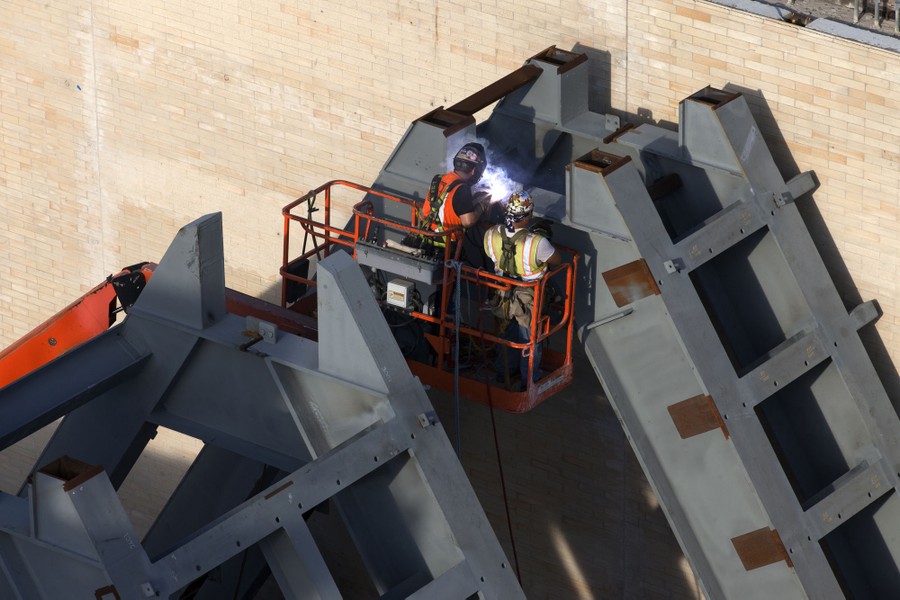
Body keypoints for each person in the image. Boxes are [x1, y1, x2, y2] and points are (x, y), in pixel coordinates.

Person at [483, 190, 561, 389]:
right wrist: (539, 237)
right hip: (529, 300)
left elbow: (492, 254)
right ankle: (529, 381)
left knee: (506, 334)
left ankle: (503, 372)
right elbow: (557, 260)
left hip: (503, 296)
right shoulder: (538, 243)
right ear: (527, 216)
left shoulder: (491, 233)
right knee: (530, 340)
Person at [419, 142, 492, 265]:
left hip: (425, 236)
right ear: (474, 170)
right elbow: (467, 221)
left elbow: (446, 203)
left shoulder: (439, 179)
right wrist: (481, 207)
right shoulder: (462, 189)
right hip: (445, 246)